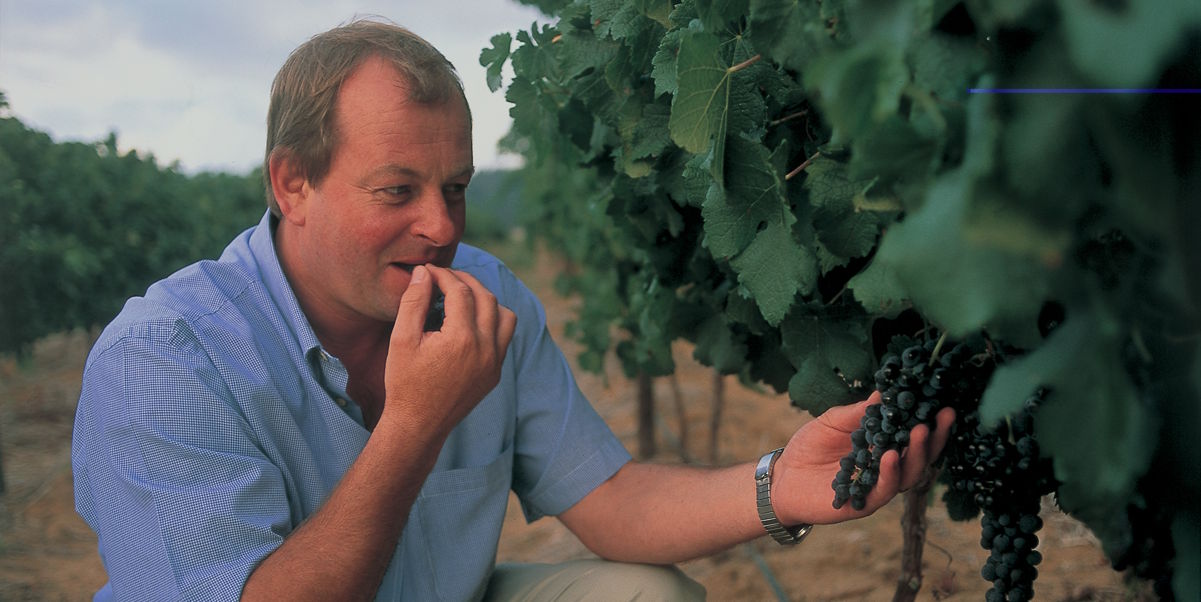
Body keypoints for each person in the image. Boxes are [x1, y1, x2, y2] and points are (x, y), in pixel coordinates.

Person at [71, 18, 954, 601]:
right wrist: (415, 425)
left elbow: (608, 500)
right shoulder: (166, 358)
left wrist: (778, 487)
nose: (441, 225)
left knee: (642, 595)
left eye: (454, 187)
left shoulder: (483, 297)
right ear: (292, 184)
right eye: (397, 190)